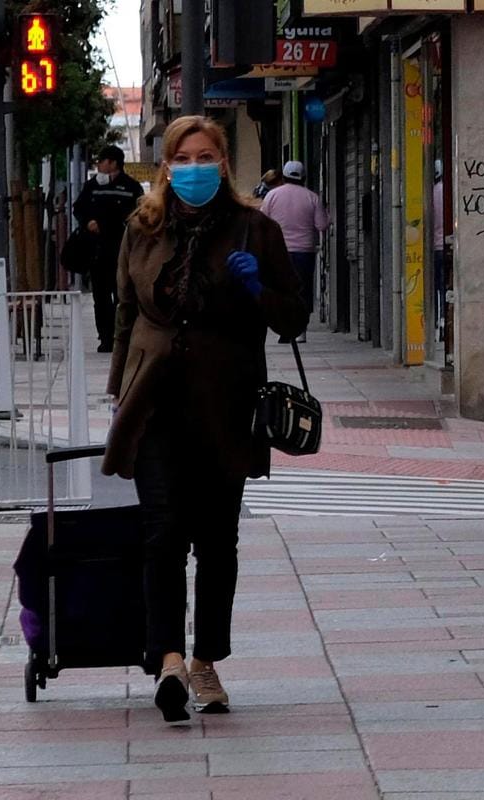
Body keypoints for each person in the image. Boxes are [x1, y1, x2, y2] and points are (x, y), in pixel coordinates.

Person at [101, 115, 308, 723]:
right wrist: (118, 390)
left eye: (207, 156)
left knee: (217, 542)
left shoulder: (256, 229)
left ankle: (205, 662)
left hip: (226, 404)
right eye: (184, 158)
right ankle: (167, 659)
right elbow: (123, 313)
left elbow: (293, 317)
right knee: (162, 533)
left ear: (224, 163)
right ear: (167, 166)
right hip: (154, 402)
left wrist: (256, 291)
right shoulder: (142, 229)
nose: (196, 167)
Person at [73, 145, 144, 353]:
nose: (99, 165)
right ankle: (105, 337)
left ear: (113, 163)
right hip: (98, 252)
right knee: (101, 297)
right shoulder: (92, 186)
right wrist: (88, 222)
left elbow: (139, 213)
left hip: (123, 251)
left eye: (102, 161)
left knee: (123, 296)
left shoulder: (131, 187)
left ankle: (123, 334)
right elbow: (79, 208)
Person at [259, 160, 329, 341]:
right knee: (302, 290)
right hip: (304, 251)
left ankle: (283, 328)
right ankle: (300, 331)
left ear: (283, 176)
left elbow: (262, 222)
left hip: (278, 252)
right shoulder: (312, 197)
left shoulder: (272, 196)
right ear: (304, 177)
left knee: (281, 289)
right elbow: (321, 225)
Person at [432, 158, 446, 340]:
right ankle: (444, 321)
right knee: (445, 288)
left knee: (436, 288)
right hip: (446, 246)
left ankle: (437, 321)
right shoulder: (448, 191)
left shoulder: (433, 192)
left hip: (434, 248)